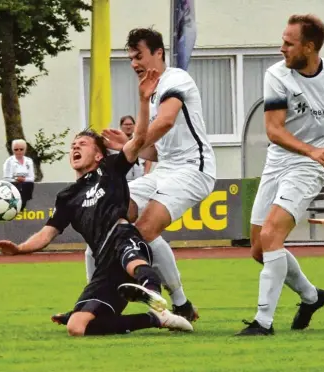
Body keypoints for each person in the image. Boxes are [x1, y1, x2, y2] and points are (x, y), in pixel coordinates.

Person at [0, 69, 193, 336]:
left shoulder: (111, 167)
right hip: (103, 263)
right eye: (73, 145)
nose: (75, 147)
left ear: (99, 155)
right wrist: (19, 249)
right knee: (77, 328)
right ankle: (155, 319)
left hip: (124, 238)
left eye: (83, 144)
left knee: (134, 263)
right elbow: (46, 234)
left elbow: (140, 139)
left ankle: (153, 293)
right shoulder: (67, 197)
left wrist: (144, 102)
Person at [102, 27, 216, 321]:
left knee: (145, 229)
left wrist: (133, 144)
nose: (134, 63)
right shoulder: (150, 94)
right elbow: (156, 151)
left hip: (194, 169)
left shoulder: (176, 79)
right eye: (130, 58)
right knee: (113, 216)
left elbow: (165, 124)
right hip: (165, 169)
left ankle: (178, 303)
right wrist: (127, 147)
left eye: (138, 56)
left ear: (158, 53)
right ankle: (97, 300)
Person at [236, 14, 324, 336]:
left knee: (271, 238)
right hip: (279, 161)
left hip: (309, 167)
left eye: (289, 43)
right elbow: (273, 130)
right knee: (259, 249)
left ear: (309, 47)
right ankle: (311, 296)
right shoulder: (277, 75)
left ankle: (263, 322)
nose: (281, 48)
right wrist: (311, 149)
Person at [3, 139, 35, 211]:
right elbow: (6, 178)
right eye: (16, 149)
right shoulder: (9, 161)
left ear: (25, 149)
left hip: (26, 185)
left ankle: (23, 204)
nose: (19, 151)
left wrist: (24, 179)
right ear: (12, 150)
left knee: (28, 184)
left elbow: (32, 178)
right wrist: (16, 179)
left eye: (21, 149)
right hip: (13, 184)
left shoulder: (29, 161)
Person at [119, 115, 152, 181]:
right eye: (126, 124)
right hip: (122, 180)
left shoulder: (141, 140)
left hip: (139, 179)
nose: (128, 127)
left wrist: (146, 173)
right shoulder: (116, 140)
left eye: (130, 124)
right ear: (121, 126)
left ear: (134, 126)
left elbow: (149, 159)